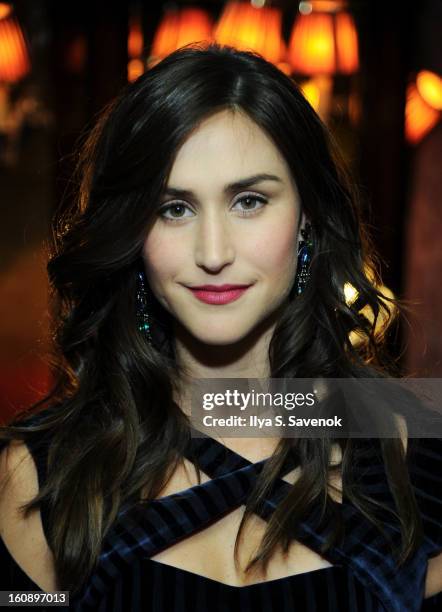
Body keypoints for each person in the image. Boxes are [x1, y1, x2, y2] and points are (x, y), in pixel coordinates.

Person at [0, 43, 441, 611]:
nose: (213, 252)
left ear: (307, 215)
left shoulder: (418, 453)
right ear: (132, 231)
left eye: (249, 200)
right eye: (173, 208)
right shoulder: (33, 478)